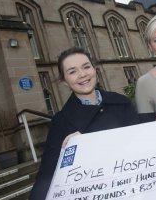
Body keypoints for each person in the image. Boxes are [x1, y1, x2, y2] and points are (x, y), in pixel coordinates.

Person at [30, 47, 140, 199]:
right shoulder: (61, 123)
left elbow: (141, 139)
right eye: (72, 71)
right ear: (64, 81)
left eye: (86, 67)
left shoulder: (120, 102)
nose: (82, 75)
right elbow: (46, 177)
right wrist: (70, 151)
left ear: (95, 69)